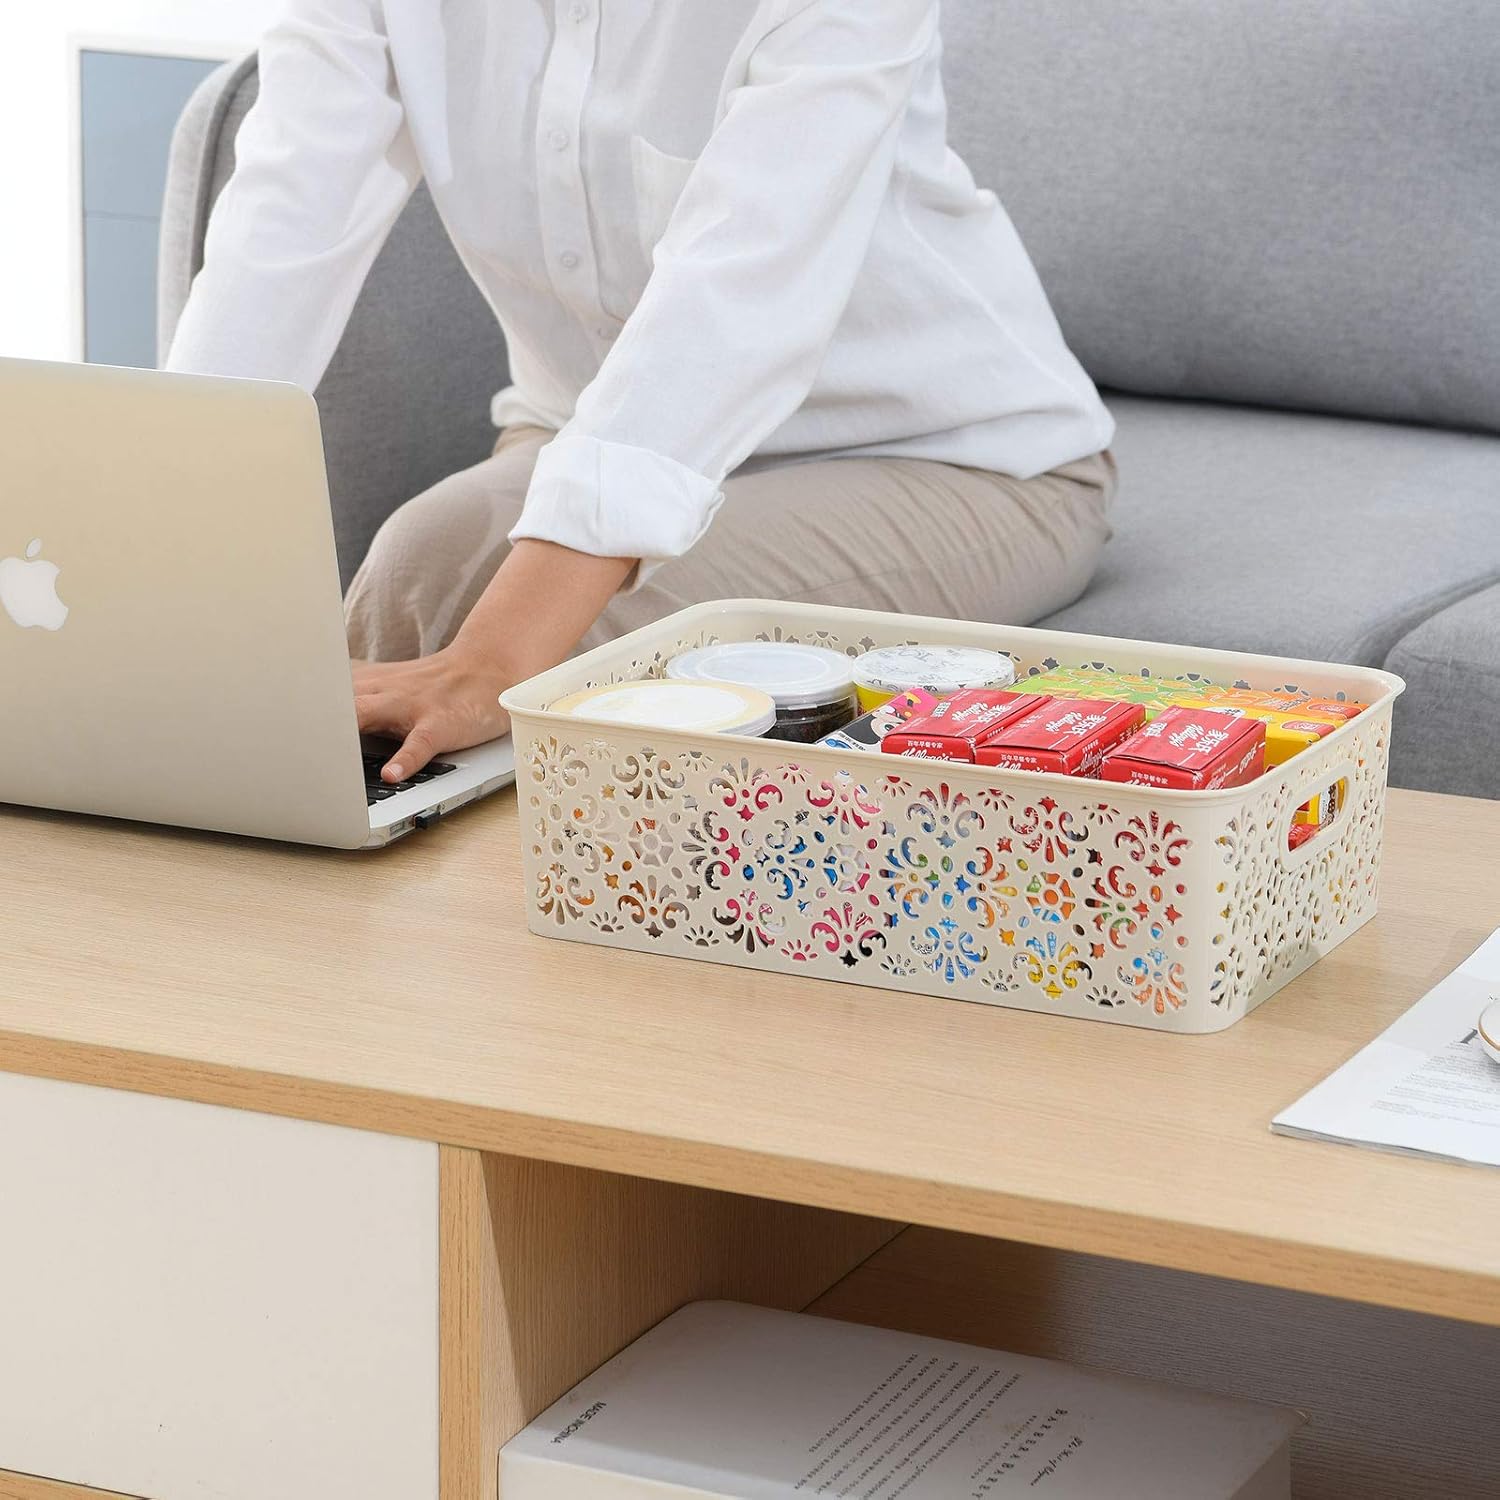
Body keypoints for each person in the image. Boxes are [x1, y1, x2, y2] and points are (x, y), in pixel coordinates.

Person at [167, 0, 1116, 783]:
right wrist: (150, 533)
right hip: (576, 429)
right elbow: (284, 226)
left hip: (951, 457)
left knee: (575, 664)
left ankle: (503, 987)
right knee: (420, 563)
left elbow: (734, 296)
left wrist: (497, 659)